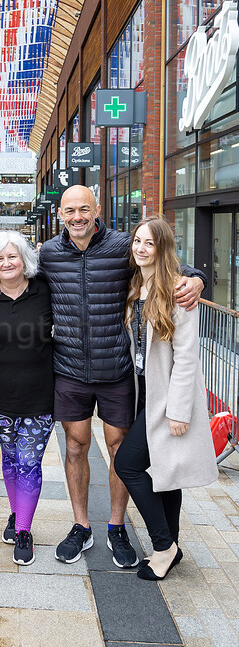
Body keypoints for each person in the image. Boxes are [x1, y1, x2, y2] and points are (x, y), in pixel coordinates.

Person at [0, 185, 206, 567]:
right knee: (76, 447)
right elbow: (14, 270)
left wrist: (196, 278)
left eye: (85, 209)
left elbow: (162, 262)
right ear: (60, 214)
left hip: (116, 370)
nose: (78, 216)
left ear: (97, 209)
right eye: (70, 210)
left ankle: (116, 527)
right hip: (68, 371)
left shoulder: (120, 246)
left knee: (118, 449)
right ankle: (81, 525)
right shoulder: (47, 253)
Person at [114, 217, 217, 580]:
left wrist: (179, 411)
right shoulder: (134, 286)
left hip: (167, 398)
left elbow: (188, 357)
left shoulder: (179, 291)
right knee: (166, 473)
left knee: (127, 465)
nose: (140, 248)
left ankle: (162, 546)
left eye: (149, 243)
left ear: (162, 249)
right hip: (144, 393)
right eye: (137, 241)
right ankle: (172, 544)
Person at [0, 231, 54, 566]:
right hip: (1, 395)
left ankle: (23, 529)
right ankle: (15, 512)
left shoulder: (45, 290)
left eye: (12, 256)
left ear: (25, 259)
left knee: (29, 463)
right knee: (9, 459)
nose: (6, 263)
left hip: (40, 396)